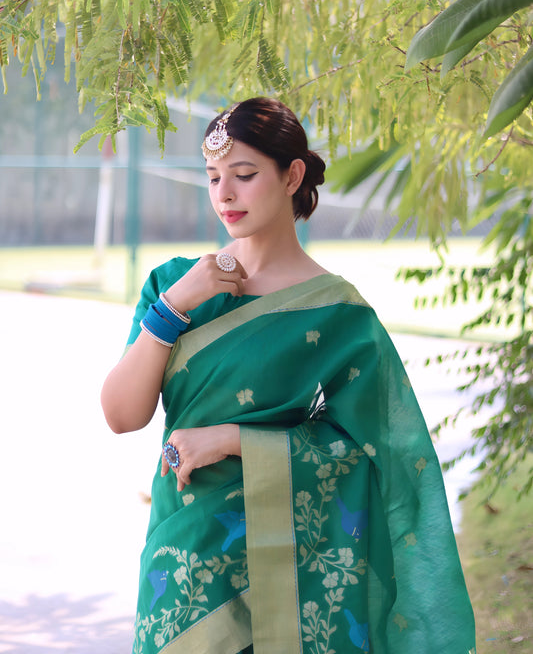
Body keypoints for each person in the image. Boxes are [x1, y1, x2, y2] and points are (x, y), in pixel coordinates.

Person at [101, 97, 476, 654]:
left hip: (299, 559)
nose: (224, 194)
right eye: (212, 178)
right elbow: (121, 414)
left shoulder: (336, 311)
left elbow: (381, 453)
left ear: (291, 175)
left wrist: (233, 441)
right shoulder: (173, 285)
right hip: (186, 552)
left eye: (244, 175)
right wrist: (177, 304)